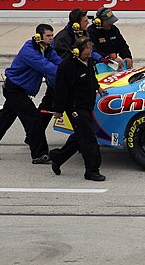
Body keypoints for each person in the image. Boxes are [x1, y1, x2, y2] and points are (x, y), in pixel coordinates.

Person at [0, 24, 61, 162]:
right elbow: (46, 67)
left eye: (52, 35)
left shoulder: (47, 49)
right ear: (39, 36)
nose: (51, 39)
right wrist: (67, 73)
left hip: (19, 90)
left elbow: (58, 61)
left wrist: (69, 67)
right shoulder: (29, 50)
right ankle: (40, 154)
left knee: (4, 119)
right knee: (34, 120)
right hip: (14, 89)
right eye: (48, 36)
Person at [50, 36, 107, 181]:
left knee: (79, 136)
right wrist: (58, 110)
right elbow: (61, 89)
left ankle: (58, 157)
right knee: (89, 138)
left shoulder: (87, 62)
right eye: (87, 51)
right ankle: (92, 171)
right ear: (77, 51)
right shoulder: (67, 66)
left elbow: (91, 77)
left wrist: (98, 87)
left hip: (87, 106)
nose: (89, 54)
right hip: (75, 108)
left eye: (90, 51)